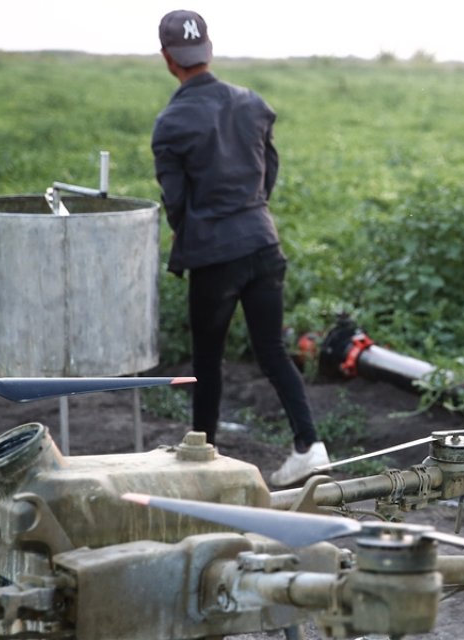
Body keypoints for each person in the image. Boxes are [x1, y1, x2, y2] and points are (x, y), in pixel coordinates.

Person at [151, 9, 327, 487]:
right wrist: (250, 212)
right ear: (208, 50)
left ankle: (201, 457)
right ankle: (310, 447)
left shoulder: (171, 123)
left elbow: (176, 202)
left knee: (207, 359)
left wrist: (199, 233)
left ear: (169, 59)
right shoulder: (252, 103)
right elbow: (268, 171)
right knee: (272, 349)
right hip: (263, 243)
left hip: (214, 256)